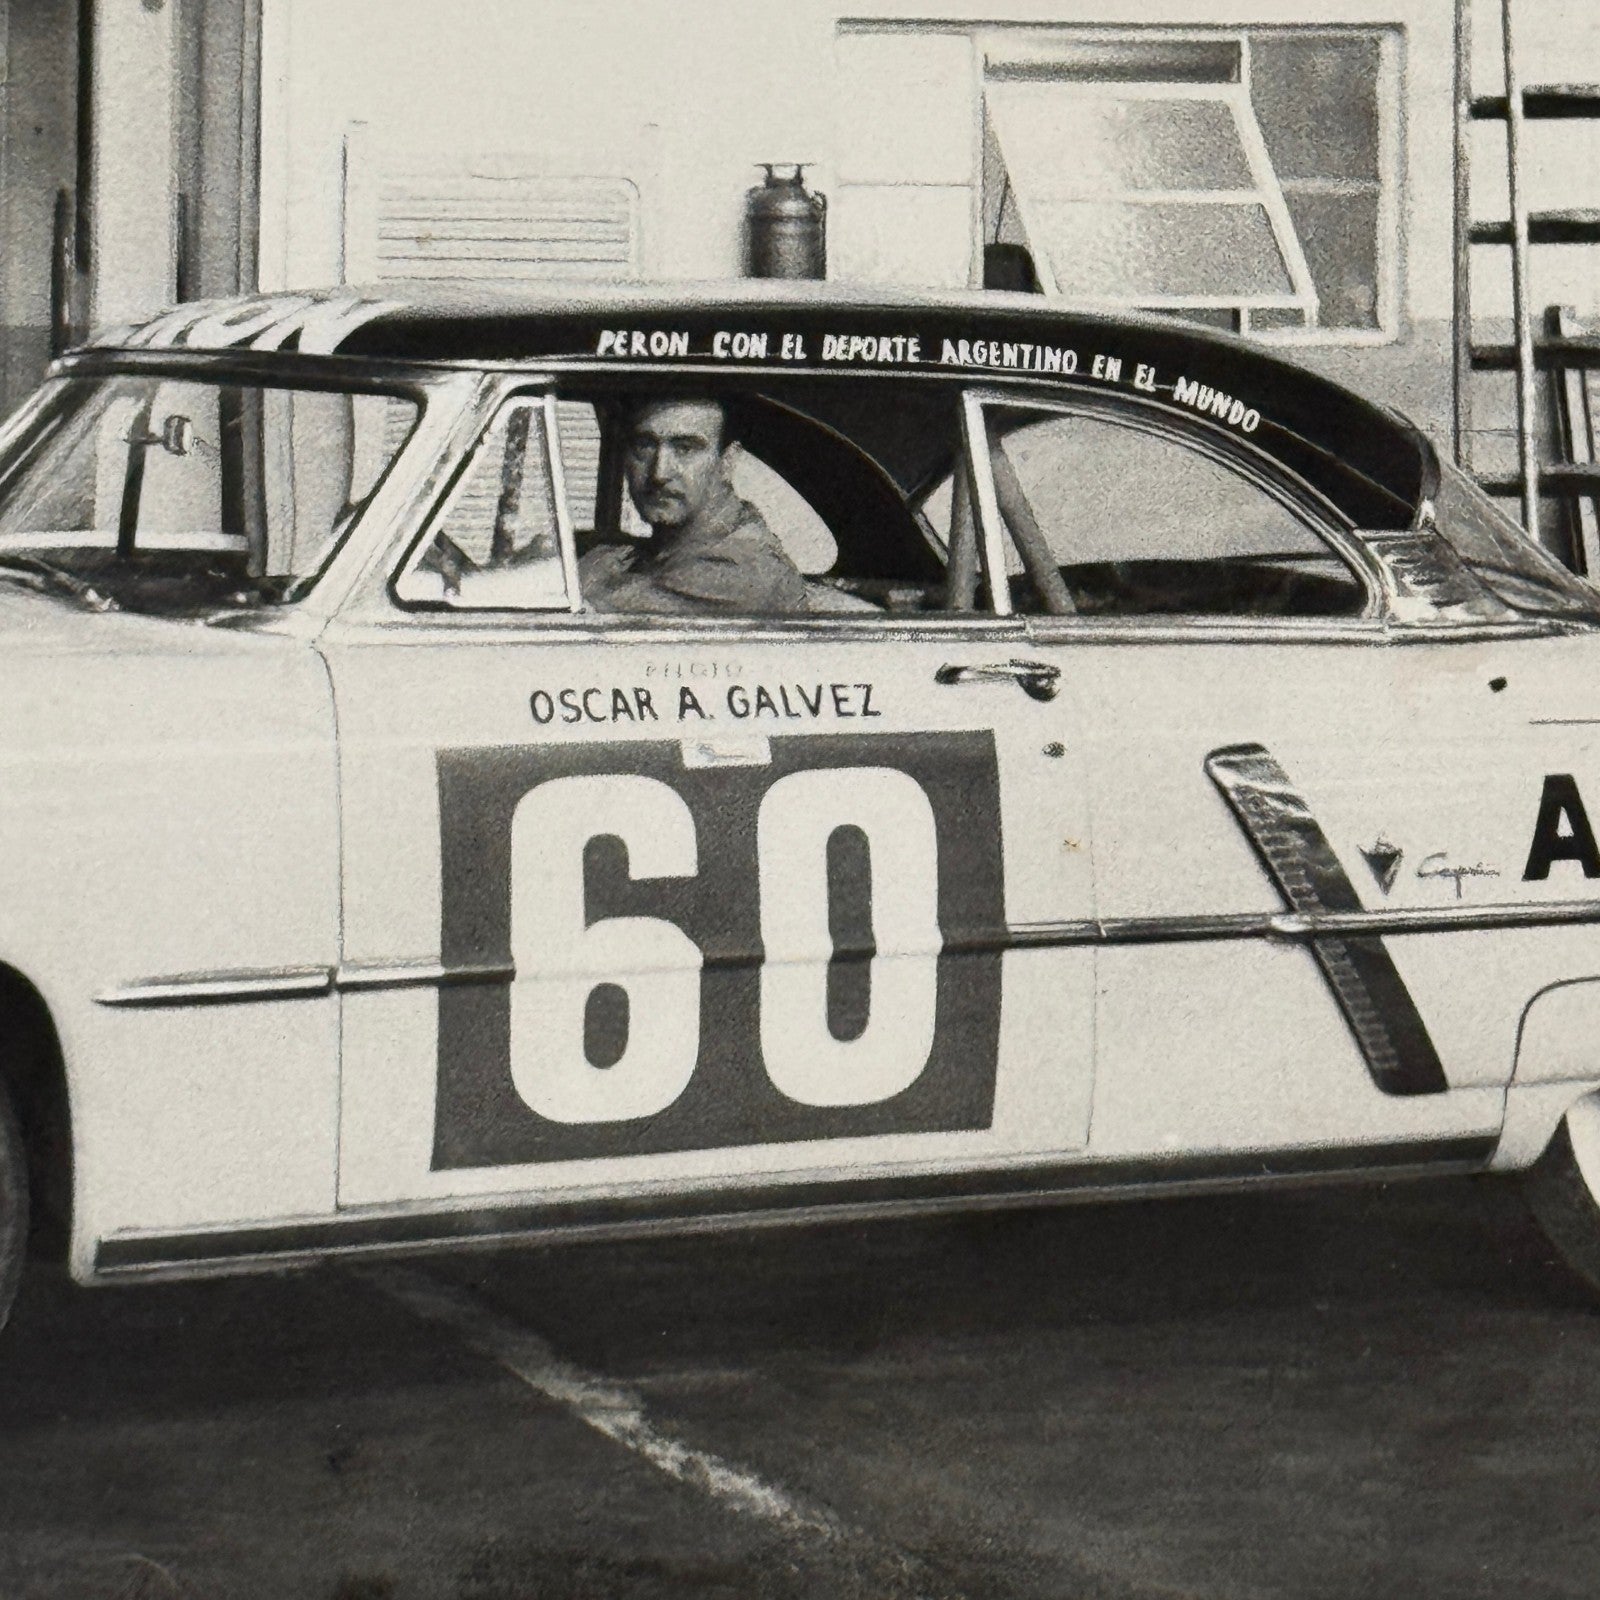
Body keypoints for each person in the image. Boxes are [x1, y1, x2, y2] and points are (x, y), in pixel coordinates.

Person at [579, 396, 809, 614]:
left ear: (727, 461)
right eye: (644, 446)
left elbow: (579, 612)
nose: (659, 473)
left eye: (685, 448)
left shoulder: (741, 569)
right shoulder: (660, 548)